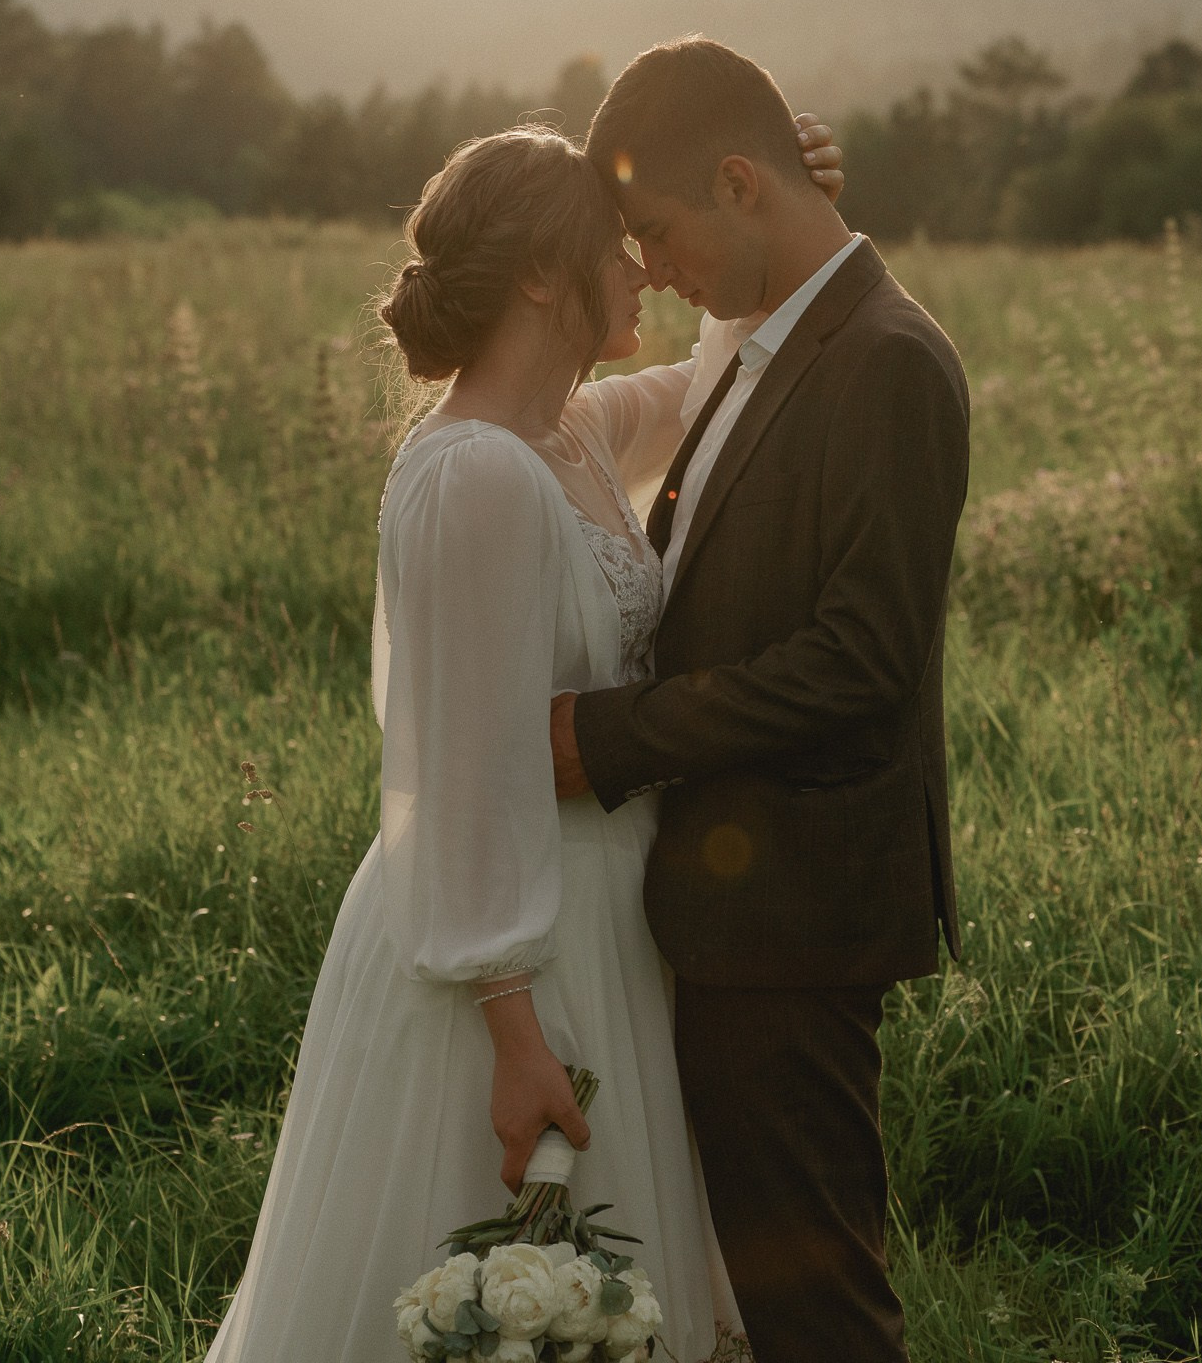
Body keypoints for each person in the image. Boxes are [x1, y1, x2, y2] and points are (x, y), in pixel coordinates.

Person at [204, 116, 845, 1363]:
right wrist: (514, 1035)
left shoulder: (573, 433)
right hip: (506, 949)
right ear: (545, 275)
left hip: (604, 916)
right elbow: (459, 766)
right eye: (619, 249)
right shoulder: (479, 475)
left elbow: (726, 371)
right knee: (502, 1279)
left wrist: (786, 213)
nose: (645, 271)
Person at [551, 37, 972, 1363]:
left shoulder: (888, 361)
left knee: (816, 1309)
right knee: (757, 1295)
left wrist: (601, 740)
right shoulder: (763, 341)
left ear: (740, 184)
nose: (655, 271)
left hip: (797, 908)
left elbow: (861, 662)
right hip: (738, 902)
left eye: (663, 234)